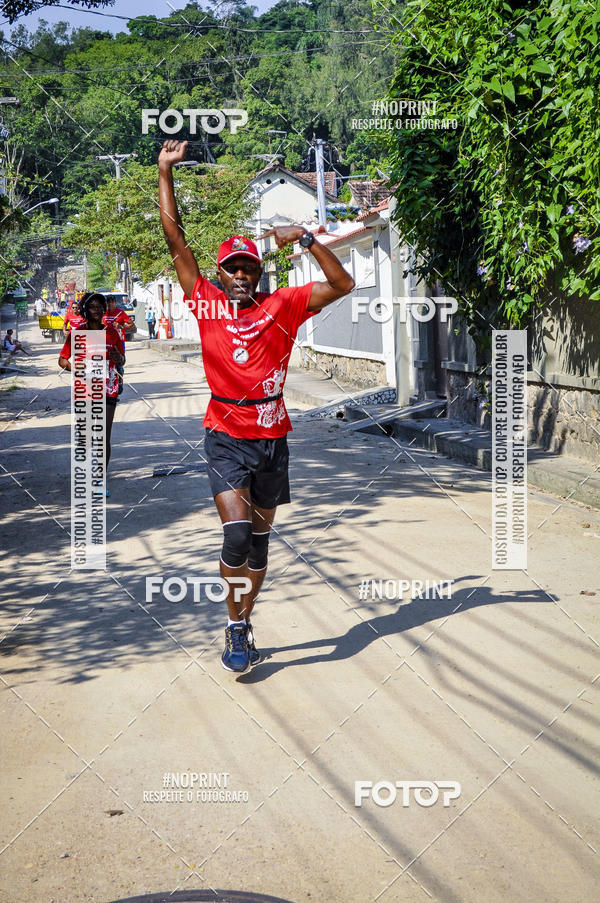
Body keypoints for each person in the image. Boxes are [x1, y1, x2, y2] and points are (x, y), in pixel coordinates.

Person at [158, 138, 355, 673]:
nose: (241, 275)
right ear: (220, 276)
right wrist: (164, 173)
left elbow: (344, 282)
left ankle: (244, 617)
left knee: (261, 549)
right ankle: (234, 624)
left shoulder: (284, 305)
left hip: (272, 438)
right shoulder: (205, 303)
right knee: (238, 535)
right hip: (225, 434)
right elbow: (174, 237)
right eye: (232, 269)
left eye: (249, 268)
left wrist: (310, 238)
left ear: (259, 272)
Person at [58, 293, 125, 496]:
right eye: (93, 307)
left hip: (108, 389)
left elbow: (121, 360)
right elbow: (62, 360)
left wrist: (118, 357)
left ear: (104, 309)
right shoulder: (77, 333)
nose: (96, 310)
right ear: (86, 310)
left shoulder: (112, 333)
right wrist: (76, 368)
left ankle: (99, 480)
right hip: (85, 391)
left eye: (100, 306)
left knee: (103, 437)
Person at [102, 295, 136, 392]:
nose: (109, 305)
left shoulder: (120, 313)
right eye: (108, 302)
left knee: (119, 362)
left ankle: (120, 381)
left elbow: (132, 326)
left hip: (118, 342)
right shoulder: (103, 313)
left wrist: (120, 326)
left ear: (115, 303)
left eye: (111, 302)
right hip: (105, 341)